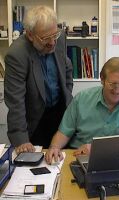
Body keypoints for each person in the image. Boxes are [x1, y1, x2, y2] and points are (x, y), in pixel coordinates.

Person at [45, 57, 119, 164]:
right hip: (81, 157)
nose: (117, 90)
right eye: (112, 84)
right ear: (102, 79)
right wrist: (54, 147)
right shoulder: (82, 99)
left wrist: (99, 150)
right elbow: (64, 132)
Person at [4, 6, 73, 153]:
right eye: (45, 38)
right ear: (30, 35)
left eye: (54, 36)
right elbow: (15, 101)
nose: (52, 43)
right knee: (37, 165)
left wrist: (67, 92)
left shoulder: (58, 39)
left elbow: (67, 68)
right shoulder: (17, 54)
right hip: (35, 119)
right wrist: (21, 140)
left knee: (63, 159)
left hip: (60, 113)